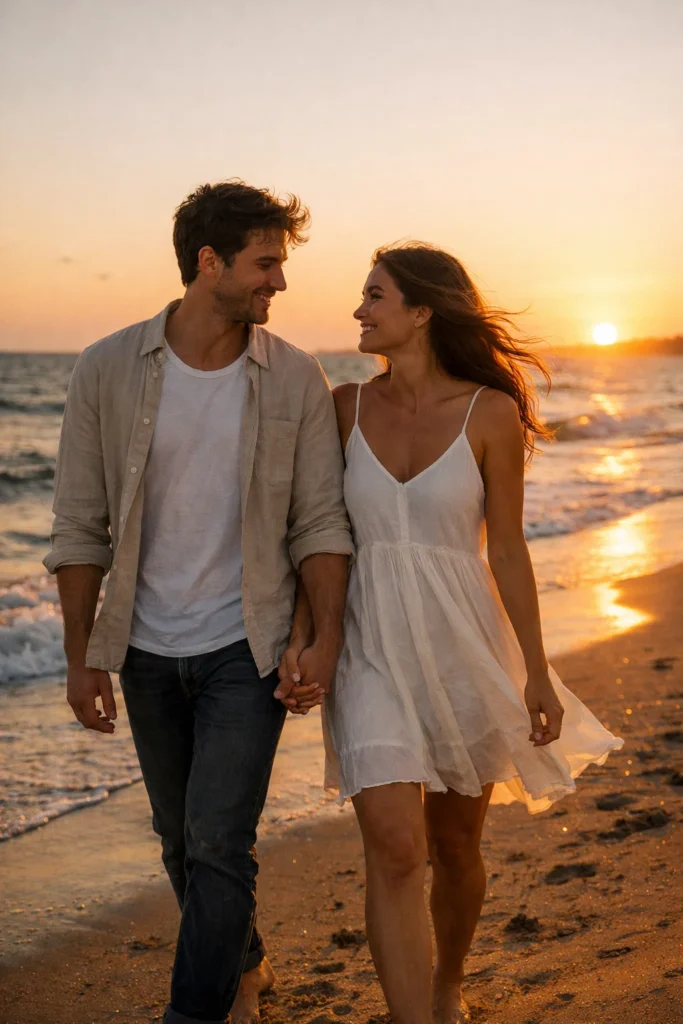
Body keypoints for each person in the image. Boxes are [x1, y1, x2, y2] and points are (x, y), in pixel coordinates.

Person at [278, 243, 622, 1024]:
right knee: (397, 848)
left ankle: (445, 983)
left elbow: (505, 548)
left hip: (462, 643)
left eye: (374, 295)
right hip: (367, 645)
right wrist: (306, 636)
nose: (359, 310)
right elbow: (317, 535)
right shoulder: (343, 408)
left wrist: (535, 671)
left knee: (457, 848)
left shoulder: (489, 413)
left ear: (423, 310)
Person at [44, 180, 352, 1024]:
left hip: (242, 648)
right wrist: (82, 658)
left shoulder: (292, 376)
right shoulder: (108, 368)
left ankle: (196, 1012)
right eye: (265, 265)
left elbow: (319, 521)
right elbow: (79, 526)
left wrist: (320, 638)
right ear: (207, 263)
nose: (278, 285)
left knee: (219, 841)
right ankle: (243, 963)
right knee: (180, 841)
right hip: (142, 649)